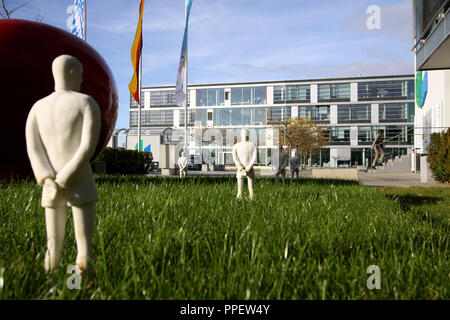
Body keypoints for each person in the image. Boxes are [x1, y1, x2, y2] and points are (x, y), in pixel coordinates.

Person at [25, 55, 101, 275]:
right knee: (83, 249)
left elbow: (33, 148)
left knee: (53, 246)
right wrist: (66, 175)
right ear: (72, 72)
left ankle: (52, 280)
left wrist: (47, 178)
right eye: (81, 74)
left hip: (50, 185)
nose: (82, 79)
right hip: (79, 178)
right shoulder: (86, 103)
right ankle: (77, 281)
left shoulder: (37, 108)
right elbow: (87, 146)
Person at [232, 128, 257, 200]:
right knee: (249, 191)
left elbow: (235, 159)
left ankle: (241, 200)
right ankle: (250, 200)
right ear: (248, 135)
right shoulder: (252, 145)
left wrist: (240, 167)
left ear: (241, 134)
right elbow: (254, 158)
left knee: (243, 191)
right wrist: (247, 167)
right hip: (247, 169)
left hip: (242, 169)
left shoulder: (236, 146)